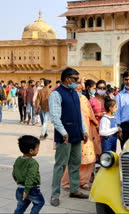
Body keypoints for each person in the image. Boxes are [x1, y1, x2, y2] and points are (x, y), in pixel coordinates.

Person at [49, 67, 89, 207]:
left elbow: (78, 114)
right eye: (75, 79)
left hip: (76, 134)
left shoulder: (74, 93)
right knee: (60, 165)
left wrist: (83, 130)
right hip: (64, 136)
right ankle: (55, 194)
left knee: (75, 163)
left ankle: (74, 190)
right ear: (67, 79)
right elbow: (54, 117)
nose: (77, 82)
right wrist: (63, 132)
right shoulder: (56, 94)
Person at [61, 82, 99, 191]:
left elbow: (90, 114)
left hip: (86, 132)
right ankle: (67, 182)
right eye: (77, 86)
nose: (79, 88)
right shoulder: (65, 98)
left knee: (87, 157)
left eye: (80, 87)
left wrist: (96, 124)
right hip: (72, 132)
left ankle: (84, 181)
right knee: (71, 158)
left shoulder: (84, 99)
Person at [13, 135, 45, 214]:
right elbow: (31, 177)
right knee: (39, 202)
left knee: (21, 207)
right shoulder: (33, 163)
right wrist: (26, 191)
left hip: (19, 189)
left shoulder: (18, 160)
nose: (38, 150)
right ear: (31, 151)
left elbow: (14, 173)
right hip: (31, 189)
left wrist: (18, 181)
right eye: (37, 148)